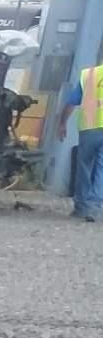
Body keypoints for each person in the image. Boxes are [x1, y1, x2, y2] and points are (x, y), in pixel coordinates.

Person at [67, 57, 103, 223]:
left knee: (84, 167)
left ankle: (81, 207)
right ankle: (96, 208)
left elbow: (72, 102)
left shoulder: (89, 75)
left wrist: (61, 123)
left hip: (89, 127)